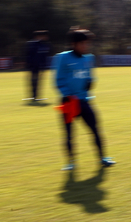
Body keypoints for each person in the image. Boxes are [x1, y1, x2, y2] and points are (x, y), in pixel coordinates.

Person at [53, 28, 116, 170]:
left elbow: (90, 76)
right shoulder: (63, 57)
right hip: (69, 102)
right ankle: (71, 162)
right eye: (82, 43)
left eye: (87, 43)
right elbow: (58, 80)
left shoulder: (89, 58)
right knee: (69, 133)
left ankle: (103, 158)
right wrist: (68, 95)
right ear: (74, 44)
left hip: (85, 100)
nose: (86, 46)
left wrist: (91, 81)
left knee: (95, 129)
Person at [25, 30, 50, 101]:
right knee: (34, 81)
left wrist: (44, 65)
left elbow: (44, 56)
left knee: (39, 82)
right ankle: (34, 96)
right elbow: (29, 55)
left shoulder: (44, 44)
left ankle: (36, 96)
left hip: (40, 66)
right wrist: (29, 64)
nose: (46, 37)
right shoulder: (32, 44)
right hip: (34, 66)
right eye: (45, 36)